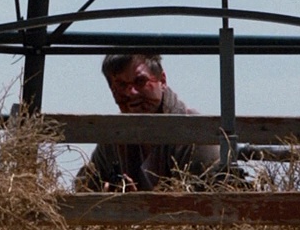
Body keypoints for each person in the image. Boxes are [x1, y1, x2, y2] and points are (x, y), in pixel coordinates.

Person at [74, 53, 225, 192]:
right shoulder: (115, 138)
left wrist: (137, 204)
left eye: (140, 81)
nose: (131, 92)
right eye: (121, 85)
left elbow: (206, 201)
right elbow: (84, 187)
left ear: (162, 80)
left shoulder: (193, 134)